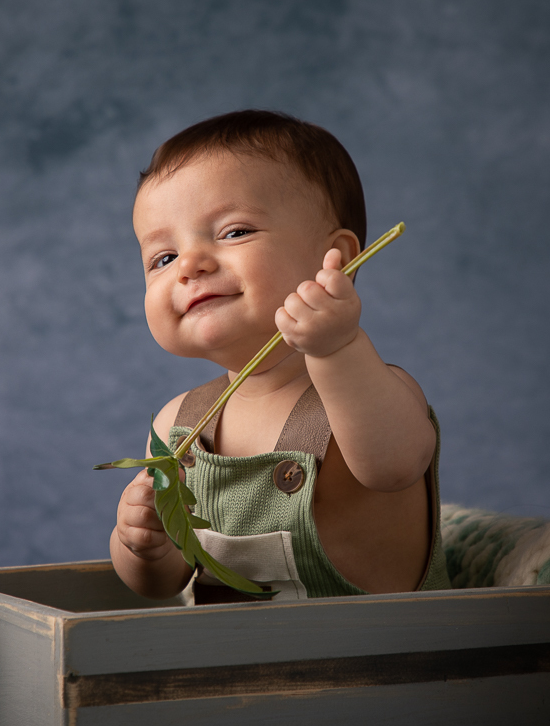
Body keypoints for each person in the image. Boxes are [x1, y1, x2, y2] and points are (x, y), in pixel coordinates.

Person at [110, 110, 450, 602]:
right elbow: (163, 585)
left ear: (335, 259)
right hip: (229, 672)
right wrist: (142, 547)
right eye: (162, 258)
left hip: (378, 661)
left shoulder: (375, 389)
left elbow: (393, 466)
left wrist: (339, 349)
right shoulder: (175, 427)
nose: (189, 266)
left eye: (234, 232)